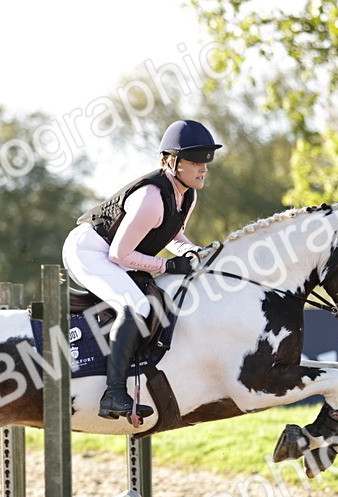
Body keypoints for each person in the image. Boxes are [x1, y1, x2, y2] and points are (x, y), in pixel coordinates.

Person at [64, 119, 221, 420]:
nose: (203, 168)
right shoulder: (151, 197)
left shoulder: (187, 194)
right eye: (195, 161)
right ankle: (113, 394)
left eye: (206, 161)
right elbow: (120, 254)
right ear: (172, 162)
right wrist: (167, 264)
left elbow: (172, 235)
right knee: (135, 305)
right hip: (88, 251)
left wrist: (190, 250)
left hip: (112, 253)